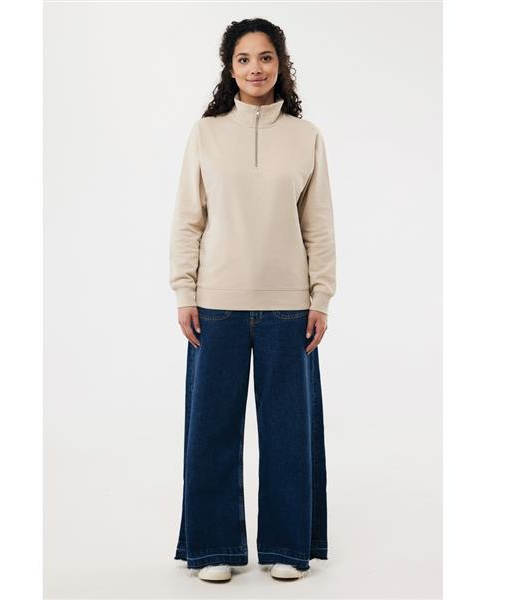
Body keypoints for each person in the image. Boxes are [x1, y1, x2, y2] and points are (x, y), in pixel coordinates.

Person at [169, 18, 336, 583]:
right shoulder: (206, 133)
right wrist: (184, 290)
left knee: (289, 433)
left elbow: (319, 225)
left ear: (280, 64)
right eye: (244, 59)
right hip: (215, 303)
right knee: (211, 430)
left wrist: (321, 296)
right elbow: (188, 220)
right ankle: (213, 547)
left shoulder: (306, 136)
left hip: (290, 307)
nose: (255, 68)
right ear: (230, 67)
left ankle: (287, 547)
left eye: (265, 57)